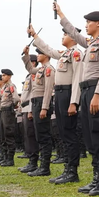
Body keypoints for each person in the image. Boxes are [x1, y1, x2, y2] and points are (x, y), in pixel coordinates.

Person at [54, 3, 99, 197]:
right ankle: (97, 177)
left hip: (97, 91)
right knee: (89, 137)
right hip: (86, 91)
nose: (86, 25)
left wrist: (97, 94)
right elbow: (73, 32)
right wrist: (61, 14)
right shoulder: (89, 44)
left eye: (89, 22)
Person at [29, 24, 83, 185]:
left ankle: (72, 170)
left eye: (65, 34)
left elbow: (78, 78)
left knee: (69, 133)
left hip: (68, 94)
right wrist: (35, 36)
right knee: (63, 133)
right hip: (59, 94)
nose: (62, 37)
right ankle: (67, 168)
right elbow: (48, 49)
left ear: (73, 37)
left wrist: (74, 102)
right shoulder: (64, 53)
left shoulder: (76, 53)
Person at [22, 48, 56, 177]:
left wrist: (44, 107)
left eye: (40, 53)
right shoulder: (41, 69)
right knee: (38, 135)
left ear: (47, 55)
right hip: (36, 102)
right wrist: (26, 55)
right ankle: (41, 165)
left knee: (43, 136)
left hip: (42, 102)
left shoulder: (49, 69)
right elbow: (30, 69)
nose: (37, 56)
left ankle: (45, 167)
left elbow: (48, 90)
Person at [18, 55, 39, 174]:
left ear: (33, 63)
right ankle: (31, 160)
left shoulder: (34, 74)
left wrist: (31, 109)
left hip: (30, 107)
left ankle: (33, 161)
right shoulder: (28, 76)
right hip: (25, 108)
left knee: (31, 135)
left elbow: (34, 92)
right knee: (27, 135)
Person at [0, 69, 20, 167]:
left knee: (9, 133)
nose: (2, 77)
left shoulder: (11, 86)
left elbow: (16, 99)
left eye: (4, 75)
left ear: (9, 76)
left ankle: (10, 159)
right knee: (4, 134)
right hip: (3, 111)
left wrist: (13, 106)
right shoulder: (4, 87)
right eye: (2, 75)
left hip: (8, 111)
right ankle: (6, 157)